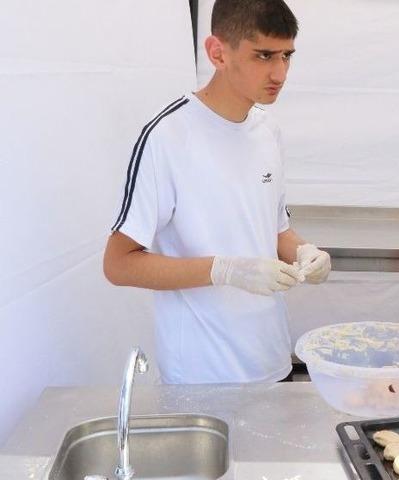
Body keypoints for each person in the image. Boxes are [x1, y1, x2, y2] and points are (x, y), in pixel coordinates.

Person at [103, 0, 330, 384]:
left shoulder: (268, 132)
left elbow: (275, 231)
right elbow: (119, 264)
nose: (279, 73)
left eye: (287, 56)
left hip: (272, 360)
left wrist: (306, 252)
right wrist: (223, 270)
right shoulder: (167, 137)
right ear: (217, 53)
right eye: (263, 55)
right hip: (201, 375)